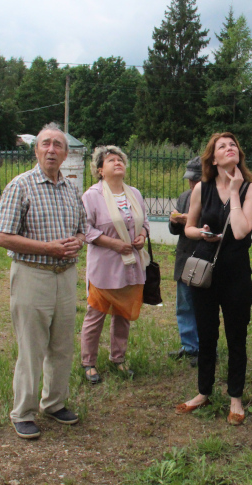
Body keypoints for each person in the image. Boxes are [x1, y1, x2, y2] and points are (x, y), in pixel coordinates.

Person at [0, 122, 87, 439]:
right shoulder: (20, 186)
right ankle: (23, 412)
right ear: (36, 150)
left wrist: (77, 241)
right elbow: (2, 237)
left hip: (65, 275)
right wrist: (47, 248)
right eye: (46, 143)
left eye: (58, 145)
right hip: (32, 274)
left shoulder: (71, 188)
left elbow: (81, 230)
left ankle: (54, 403)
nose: (51, 149)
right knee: (31, 347)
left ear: (65, 153)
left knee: (62, 346)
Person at [175, 132, 252, 426]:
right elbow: (188, 227)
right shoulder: (202, 187)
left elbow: (240, 231)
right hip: (205, 269)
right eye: (222, 146)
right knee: (206, 333)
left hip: (236, 273)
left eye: (233, 145)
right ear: (213, 158)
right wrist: (201, 233)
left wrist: (235, 191)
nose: (229, 148)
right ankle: (203, 392)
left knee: (237, 335)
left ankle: (235, 396)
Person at [80, 146, 149, 384]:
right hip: (105, 268)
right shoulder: (91, 196)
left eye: (120, 159)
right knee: (96, 314)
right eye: (111, 160)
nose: (117, 162)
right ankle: (88, 363)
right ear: (100, 170)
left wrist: (141, 237)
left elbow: (144, 222)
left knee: (123, 314)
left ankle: (118, 358)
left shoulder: (135, 193)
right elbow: (85, 229)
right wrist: (114, 243)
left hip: (131, 266)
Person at [167, 156, 202, 367]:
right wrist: (174, 221)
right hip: (184, 256)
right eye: (190, 179)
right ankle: (189, 346)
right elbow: (175, 231)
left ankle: (205, 348)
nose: (192, 183)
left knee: (202, 306)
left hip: (204, 258)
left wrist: (190, 219)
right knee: (184, 305)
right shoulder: (184, 196)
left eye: (196, 179)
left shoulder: (214, 196)